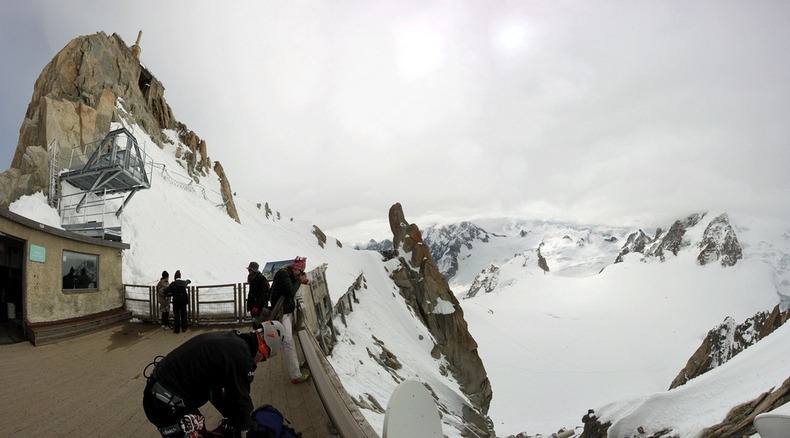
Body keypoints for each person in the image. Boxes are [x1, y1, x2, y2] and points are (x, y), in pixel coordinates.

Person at [143, 321, 285, 437]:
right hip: (165, 403)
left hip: (162, 393)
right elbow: (240, 398)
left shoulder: (235, 341)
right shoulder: (242, 358)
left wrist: (232, 416)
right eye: (263, 358)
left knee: (202, 431)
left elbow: (215, 391)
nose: (260, 361)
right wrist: (249, 427)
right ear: (263, 349)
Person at [269, 256, 310, 384]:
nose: (300, 274)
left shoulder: (287, 274)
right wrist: (299, 281)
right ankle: (295, 375)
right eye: (300, 272)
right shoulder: (283, 274)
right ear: (295, 269)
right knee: (288, 341)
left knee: (289, 340)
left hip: (286, 311)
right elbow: (290, 292)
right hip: (283, 313)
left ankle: (296, 364)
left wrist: (300, 280)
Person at [245, 262, 270, 327]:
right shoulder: (252, 278)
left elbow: (262, 294)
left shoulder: (261, 279)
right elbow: (251, 293)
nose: (249, 271)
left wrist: (257, 306)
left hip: (259, 306)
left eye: (250, 269)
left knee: (259, 323)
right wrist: (249, 306)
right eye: (249, 269)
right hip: (253, 305)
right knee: (255, 323)